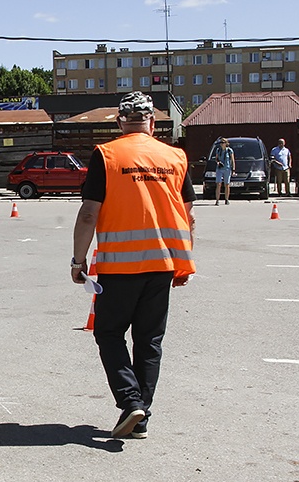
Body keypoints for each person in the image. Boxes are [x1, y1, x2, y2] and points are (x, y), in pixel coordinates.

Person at [70, 91, 196, 440]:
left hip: (120, 267)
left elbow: (89, 213)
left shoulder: (107, 155)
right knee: (149, 340)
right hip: (164, 263)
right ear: (153, 123)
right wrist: (184, 262)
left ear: (119, 122)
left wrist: (77, 261)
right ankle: (140, 418)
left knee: (109, 333)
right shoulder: (175, 156)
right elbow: (189, 216)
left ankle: (130, 402)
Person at [212, 137, 235, 205]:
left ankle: (226, 199)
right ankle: (217, 200)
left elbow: (232, 160)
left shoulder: (229, 150)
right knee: (218, 184)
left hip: (227, 168)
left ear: (226, 143)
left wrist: (233, 169)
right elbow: (216, 158)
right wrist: (218, 162)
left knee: (227, 184)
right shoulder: (218, 150)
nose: (222, 144)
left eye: (223, 142)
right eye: (221, 143)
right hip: (219, 169)